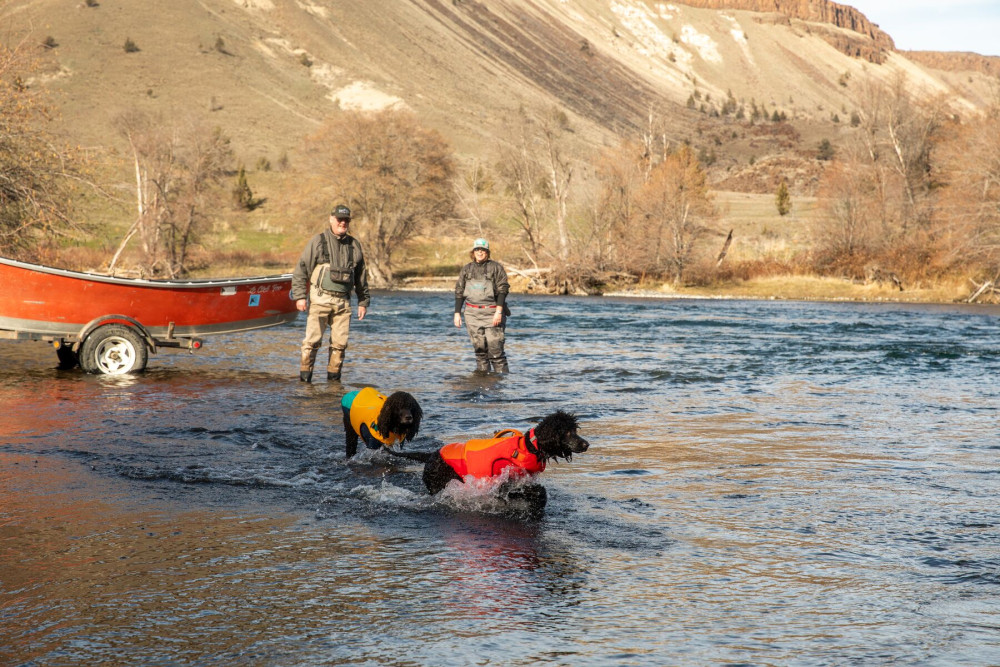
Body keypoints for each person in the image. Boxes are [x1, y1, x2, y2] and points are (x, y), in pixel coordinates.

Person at [291, 204, 370, 382]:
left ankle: (334, 384)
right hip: (319, 300)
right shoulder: (318, 241)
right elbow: (301, 270)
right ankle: (305, 381)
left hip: (344, 303)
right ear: (331, 219)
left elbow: (361, 277)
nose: (343, 223)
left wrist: (363, 302)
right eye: (340, 219)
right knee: (311, 343)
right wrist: (300, 297)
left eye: (346, 220)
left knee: (340, 345)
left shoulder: (354, 245)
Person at [453, 238, 510, 373]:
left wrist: (499, 312)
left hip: (492, 313)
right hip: (471, 314)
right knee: (480, 353)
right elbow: (459, 291)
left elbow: (503, 289)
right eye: (477, 249)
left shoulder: (496, 268)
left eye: (483, 250)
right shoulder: (467, 269)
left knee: (496, 352)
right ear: (473, 252)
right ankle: (482, 384)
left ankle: (500, 386)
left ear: (487, 252)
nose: (480, 252)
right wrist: (457, 313)